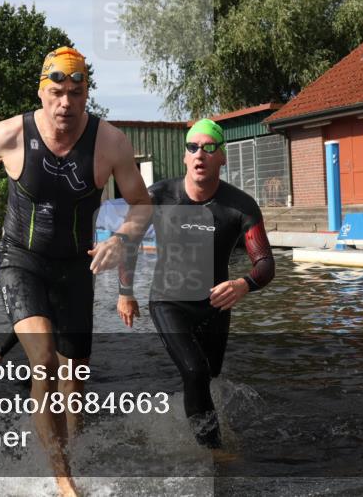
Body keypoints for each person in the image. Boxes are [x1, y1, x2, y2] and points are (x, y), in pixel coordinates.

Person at [0, 46, 151, 497]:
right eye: (56, 92)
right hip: (20, 260)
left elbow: (142, 204)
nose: (65, 103)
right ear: (42, 92)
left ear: (86, 95)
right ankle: (64, 483)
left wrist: (120, 238)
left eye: (75, 94)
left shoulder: (110, 142)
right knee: (42, 361)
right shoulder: (11, 134)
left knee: (74, 378)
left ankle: (65, 454)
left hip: (76, 267)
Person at [117, 119, 275, 451]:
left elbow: (264, 263)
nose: (200, 154)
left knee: (209, 374)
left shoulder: (240, 206)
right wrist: (125, 292)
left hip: (216, 304)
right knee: (194, 370)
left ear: (222, 158)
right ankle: (214, 454)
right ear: (185, 157)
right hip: (168, 301)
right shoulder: (159, 195)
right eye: (193, 147)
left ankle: (190, 420)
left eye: (209, 147)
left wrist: (244, 285)